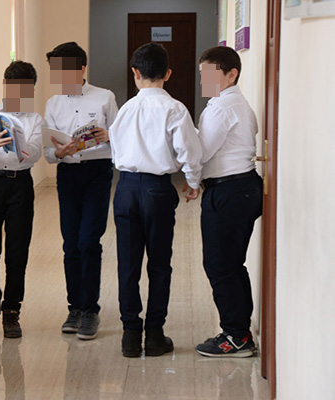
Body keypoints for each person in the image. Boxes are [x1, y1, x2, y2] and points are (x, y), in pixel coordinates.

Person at [108, 42, 203, 358]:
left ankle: (130, 335)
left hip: (125, 189)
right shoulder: (174, 109)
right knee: (160, 264)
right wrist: (192, 183)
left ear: (135, 73)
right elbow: (189, 151)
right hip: (157, 190)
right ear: (168, 74)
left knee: (128, 264)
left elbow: (116, 150)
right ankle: (155, 335)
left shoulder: (125, 110)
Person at [43, 41, 118, 340]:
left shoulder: (104, 97)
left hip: (97, 173)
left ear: (81, 68)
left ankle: (90, 310)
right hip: (68, 174)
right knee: (71, 244)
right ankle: (74, 308)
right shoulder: (53, 103)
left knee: (89, 241)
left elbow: (121, 137)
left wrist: (108, 135)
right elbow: (48, 151)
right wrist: (59, 152)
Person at [194, 46, 262, 358]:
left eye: (209, 74)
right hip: (239, 188)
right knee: (230, 264)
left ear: (231, 74)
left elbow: (200, 152)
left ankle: (236, 336)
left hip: (230, 191)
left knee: (220, 265)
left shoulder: (222, 107)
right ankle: (239, 331)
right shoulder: (234, 103)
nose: (203, 80)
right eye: (202, 74)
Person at [0, 61, 43, 339]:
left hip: (20, 185)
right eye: (15, 87)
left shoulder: (34, 119)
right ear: (6, 85)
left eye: (26, 89)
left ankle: (12, 310)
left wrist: (18, 141)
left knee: (17, 250)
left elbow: (35, 154)